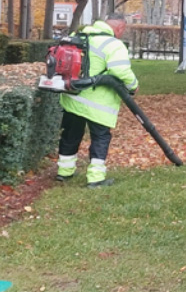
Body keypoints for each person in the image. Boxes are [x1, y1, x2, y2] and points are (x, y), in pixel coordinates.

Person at [56, 14, 139, 188]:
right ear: (120, 28)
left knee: (71, 134)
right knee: (100, 137)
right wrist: (133, 86)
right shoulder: (113, 45)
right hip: (98, 102)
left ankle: (64, 172)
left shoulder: (77, 36)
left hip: (72, 96)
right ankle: (95, 178)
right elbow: (121, 71)